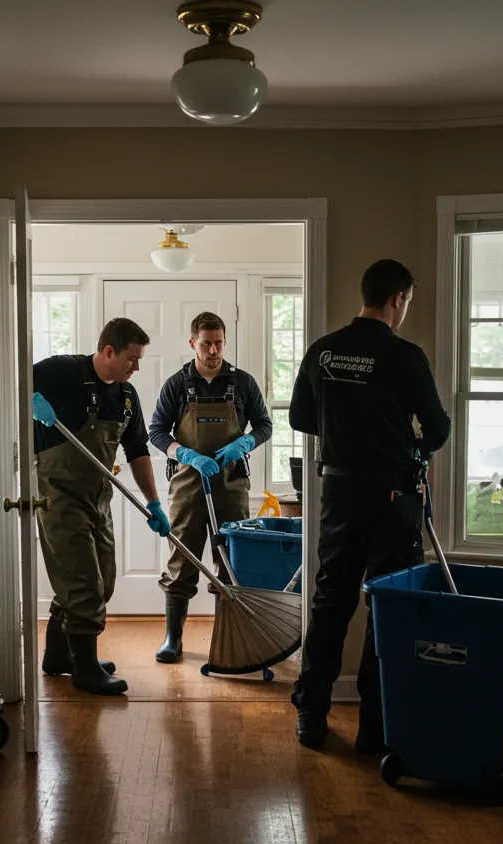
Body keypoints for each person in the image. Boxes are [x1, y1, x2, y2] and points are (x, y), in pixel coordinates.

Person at [288, 259, 451, 750]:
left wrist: (345, 431)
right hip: (391, 496)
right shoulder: (404, 355)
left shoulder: (323, 351)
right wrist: (407, 447)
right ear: (397, 299)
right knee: (387, 605)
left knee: (330, 601)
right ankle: (376, 728)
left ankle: (311, 715)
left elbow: (299, 417)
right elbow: (437, 428)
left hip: (338, 492)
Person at [31, 317, 171, 696]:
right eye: (132, 358)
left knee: (103, 581)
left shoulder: (126, 397)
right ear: (109, 351)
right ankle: (86, 668)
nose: (136, 367)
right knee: (82, 584)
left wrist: (154, 503)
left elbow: (138, 451)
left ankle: (59, 655)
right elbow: (12, 382)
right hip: (59, 496)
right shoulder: (62, 371)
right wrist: (29, 402)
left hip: (97, 498)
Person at [149, 311, 272, 661]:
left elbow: (264, 425)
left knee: (231, 564)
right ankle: (173, 639)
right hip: (187, 485)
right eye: (206, 344)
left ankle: (227, 640)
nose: (214, 351)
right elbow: (156, 431)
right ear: (193, 343)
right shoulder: (176, 384)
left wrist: (244, 443)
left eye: (219, 343)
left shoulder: (243, 383)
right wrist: (184, 453)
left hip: (231, 486)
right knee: (181, 561)